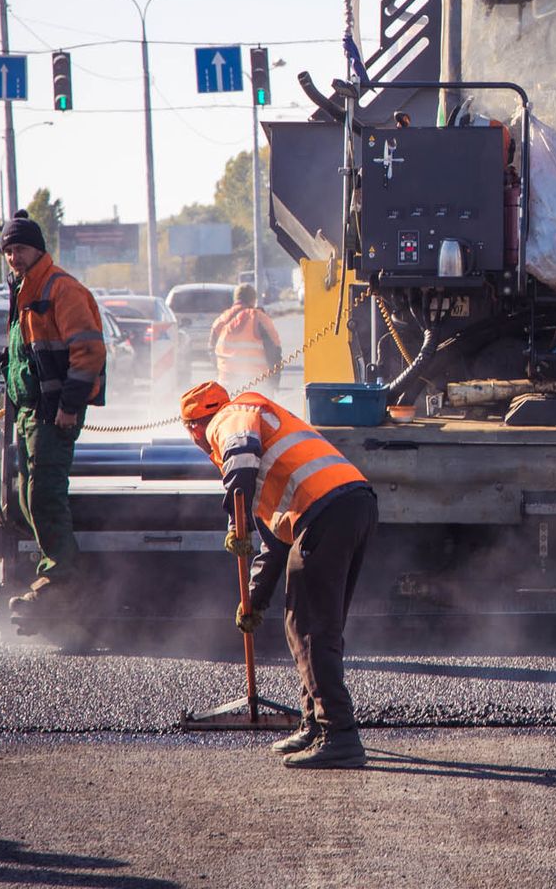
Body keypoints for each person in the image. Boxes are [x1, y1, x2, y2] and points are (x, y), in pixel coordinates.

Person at [180, 380, 377, 769]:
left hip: (324, 511)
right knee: (314, 623)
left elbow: (239, 450)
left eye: (192, 435)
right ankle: (315, 724)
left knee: (309, 627)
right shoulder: (263, 422)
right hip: (352, 505)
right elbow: (274, 543)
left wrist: (234, 503)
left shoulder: (230, 416)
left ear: (194, 427)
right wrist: (254, 600)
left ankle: (340, 735)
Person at [0, 210, 106, 612]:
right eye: (8, 250)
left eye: (21, 248)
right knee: (27, 497)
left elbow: (89, 351)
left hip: (52, 413)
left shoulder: (59, 289)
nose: (14, 256)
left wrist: (69, 408)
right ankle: (55, 568)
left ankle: (62, 576)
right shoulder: (26, 290)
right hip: (30, 414)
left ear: (38, 249)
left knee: (44, 494)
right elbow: (26, 352)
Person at [209, 284, 283, 388]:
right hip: (257, 384)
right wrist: (274, 382)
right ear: (253, 300)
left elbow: (212, 351)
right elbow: (274, 352)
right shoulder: (260, 319)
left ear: (235, 299)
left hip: (226, 384)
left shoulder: (220, 321)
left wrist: (220, 372)